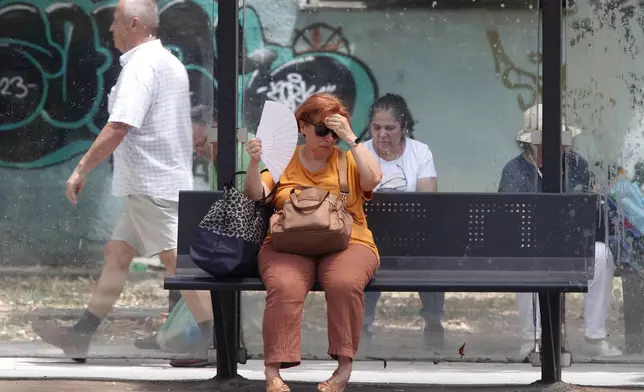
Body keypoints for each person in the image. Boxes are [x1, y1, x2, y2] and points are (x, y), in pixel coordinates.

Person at [31, 0, 215, 367]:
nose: (110, 28)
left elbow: (119, 125)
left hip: (153, 183)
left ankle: (214, 343)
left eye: (115, 21)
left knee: (177, 263)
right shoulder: (163, 62)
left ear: (134, 24)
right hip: (152, 183)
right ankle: (80, 336)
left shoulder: (142, 67)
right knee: (117, 254)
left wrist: (81, 168)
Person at [244, 93, 382, 392]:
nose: (329, 138)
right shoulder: (284, 160)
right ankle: (273, 371)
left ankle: (344, 369)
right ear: (302, 126)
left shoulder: (348, 159)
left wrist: (351, 138)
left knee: (344, 282)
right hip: (289, 241)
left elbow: (373, 180)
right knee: (284, 285)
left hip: (349, 241)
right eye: (322, 130)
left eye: (334, 131)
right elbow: (256, 193)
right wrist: (254, 162)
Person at [499, 104, 622, 358]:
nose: (564, 146)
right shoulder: (514, 171)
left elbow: (593, 212)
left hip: (571, 245)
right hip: (531, 247)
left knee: (601, 255)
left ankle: (595, 337)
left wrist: (596, 198)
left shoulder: (577, 165)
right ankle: (531, 339)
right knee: (521, 262)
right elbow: (510, 222)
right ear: (532, 143)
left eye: (564, 139)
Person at [361, 94, 445, 348]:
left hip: (412, 234)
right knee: (362, 257)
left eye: (390, 128)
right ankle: (362, 325)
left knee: (432, 256)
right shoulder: (360, 153)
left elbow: (427, 202)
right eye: (376, 127)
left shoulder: (420, 153)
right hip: (370, 234)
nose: (382, 134)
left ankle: (433, 322)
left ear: (403, 127)